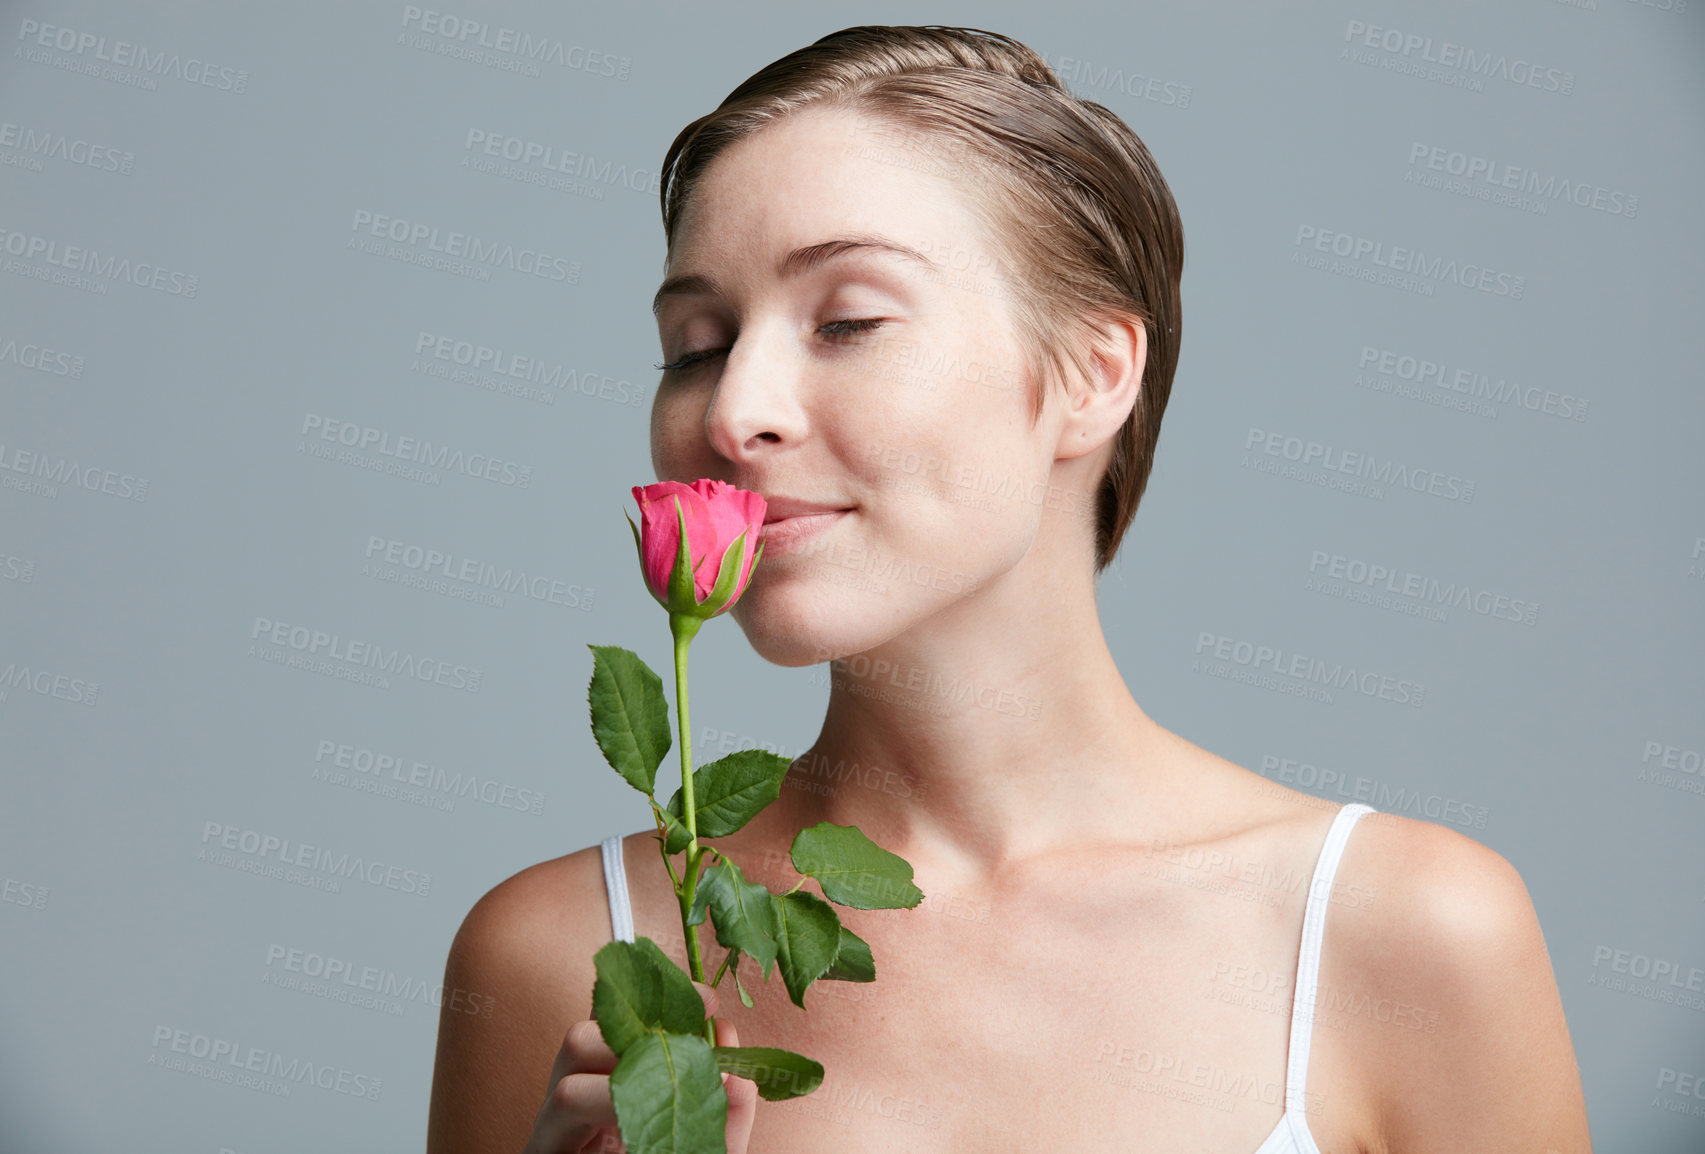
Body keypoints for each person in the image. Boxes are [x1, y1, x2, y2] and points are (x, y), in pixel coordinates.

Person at [428, 25, 1592, 1154]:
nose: (732, 413)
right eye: (695, 344)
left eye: (846, 320)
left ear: (1093, 373)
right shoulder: (560, 953)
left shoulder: (1406, 936)